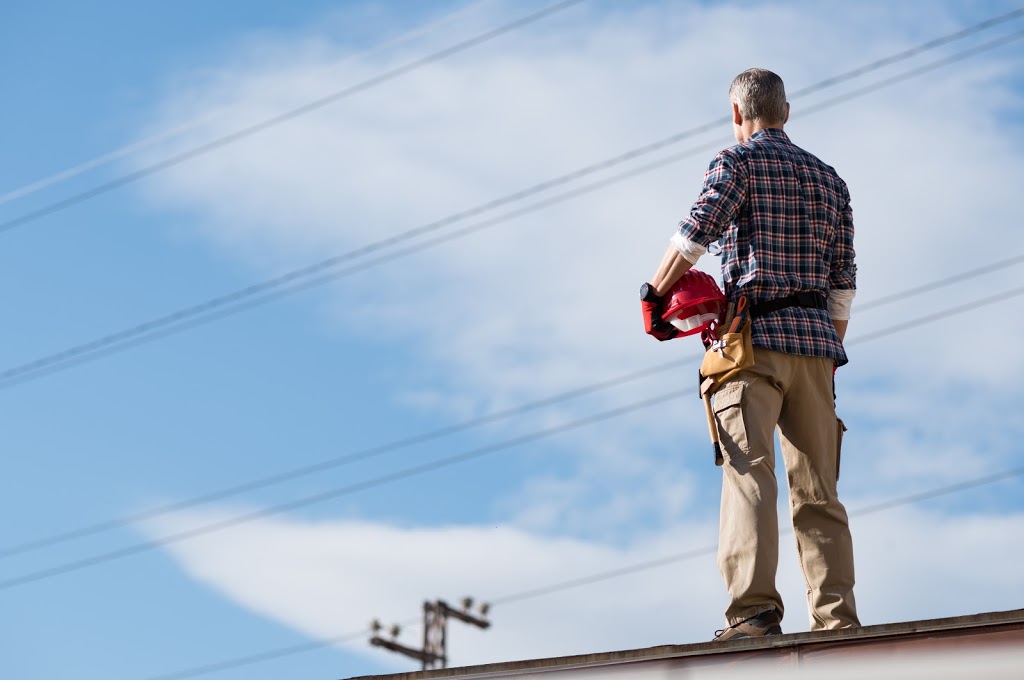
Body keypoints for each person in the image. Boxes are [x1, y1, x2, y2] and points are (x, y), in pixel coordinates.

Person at [639, 68, 860, 640]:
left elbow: (696, 231)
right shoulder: (830, 180)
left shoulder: (736, 162)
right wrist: (829, 356)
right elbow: (843, 283)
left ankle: (755, 614)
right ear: (786, 111)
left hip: (751, 346)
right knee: (819, 492)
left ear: (737, 114)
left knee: (749, 475)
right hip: (816, 347)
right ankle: (837, 623)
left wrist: (655, 293)